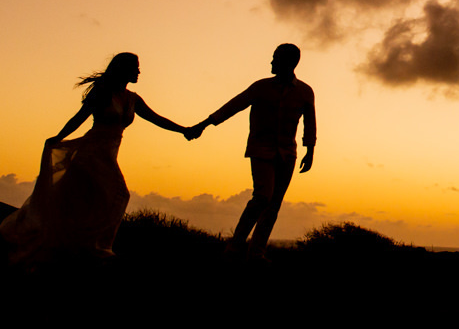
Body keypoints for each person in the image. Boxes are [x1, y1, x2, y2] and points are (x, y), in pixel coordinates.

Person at [0, 52, 194, 263]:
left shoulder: (133, 99)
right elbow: (79, 117)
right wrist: (59, 137)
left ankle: (82, 245)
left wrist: (183, 130)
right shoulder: (103, 92)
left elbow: (157, 119)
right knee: (120, 194)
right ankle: (96, 247)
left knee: (91, 202)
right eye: (135, 67)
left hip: (108, 155)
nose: (139, 71)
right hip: (90, 154)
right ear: (123, 69)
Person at [189, 43, 315, 258]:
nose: (271, 62)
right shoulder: (260, 87)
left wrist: (309, 151)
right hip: (261, 150)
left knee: (274, 204)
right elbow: (233, 106)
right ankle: (235, 246)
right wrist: (204, 124)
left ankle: (256, 251)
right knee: (262, 197)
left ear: (289, 62)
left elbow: (310, 123)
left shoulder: (304, 91)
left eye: (275, 58)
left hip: (287, 153)